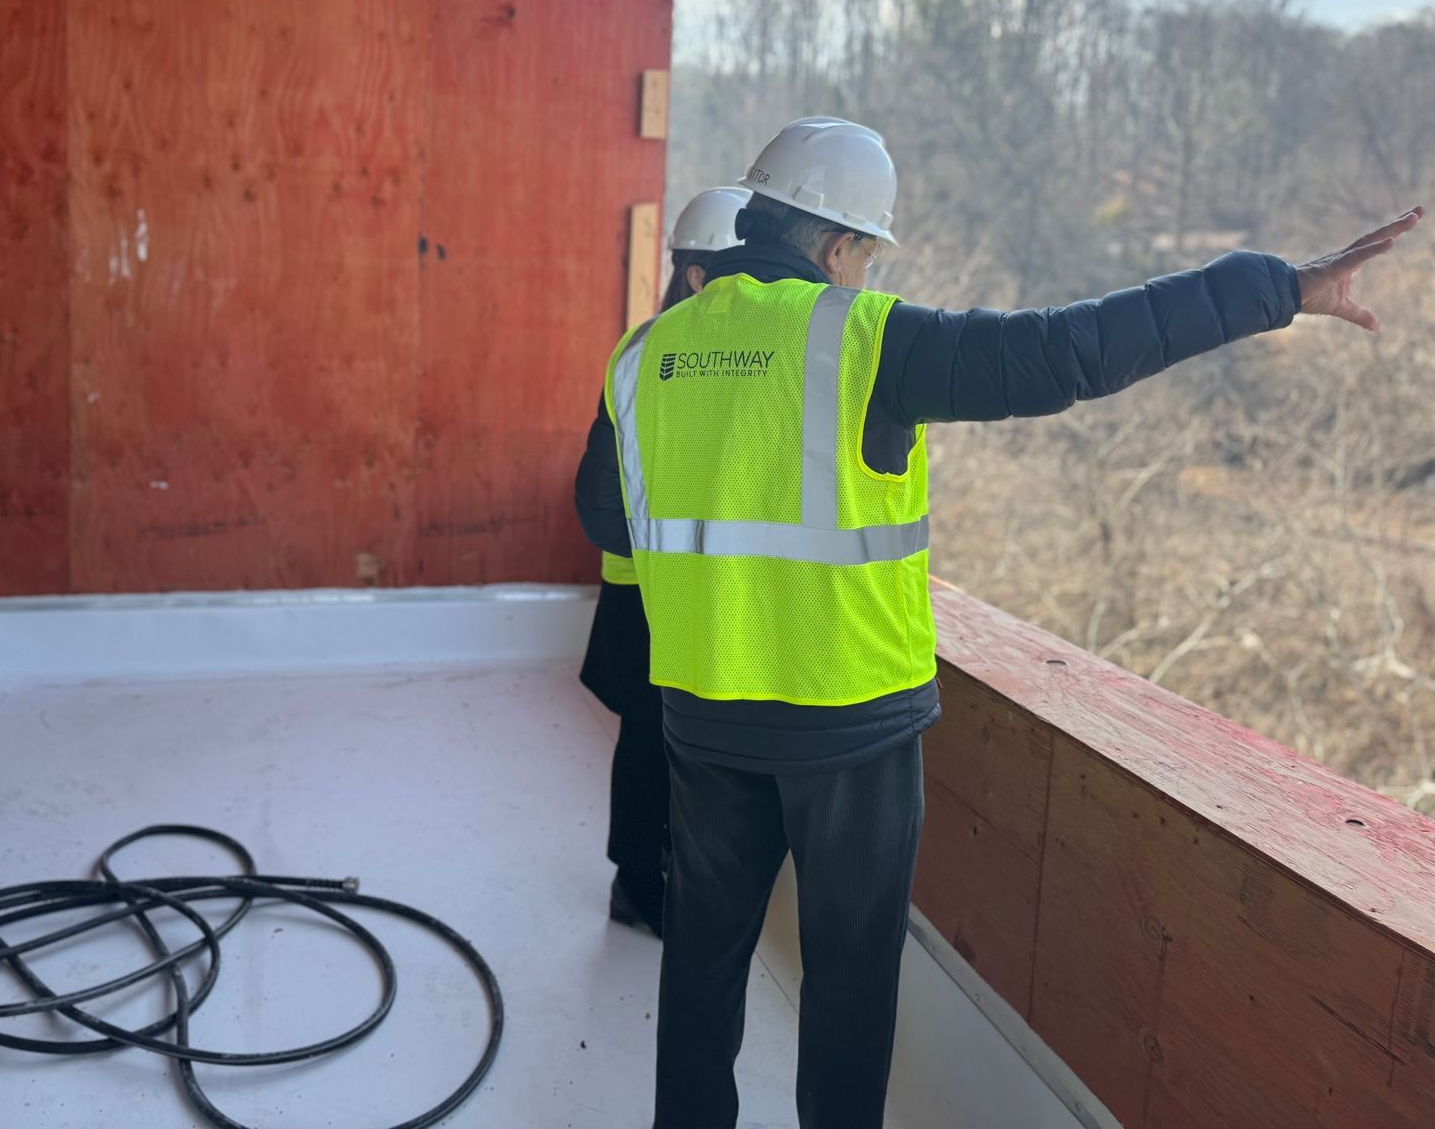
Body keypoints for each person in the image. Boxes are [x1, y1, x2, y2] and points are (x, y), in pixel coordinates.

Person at [571, 116, 1420, 1129]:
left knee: (702, 968)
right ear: (839, 247)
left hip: (703, 713)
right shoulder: (865, 338)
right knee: (848, 992)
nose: (865, 276)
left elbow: (607, 519)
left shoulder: (644, 354)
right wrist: (1276, 288)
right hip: (852, 730)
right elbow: (1068, 353)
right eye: (866, 258)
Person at [581, 186, 749, 938]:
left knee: (657, 740)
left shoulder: (643, 350)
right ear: (696, 276)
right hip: (655, 590)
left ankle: (649, 881)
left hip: (659, 582)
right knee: (657, 743)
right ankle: (643, 887)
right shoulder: (668, 355)